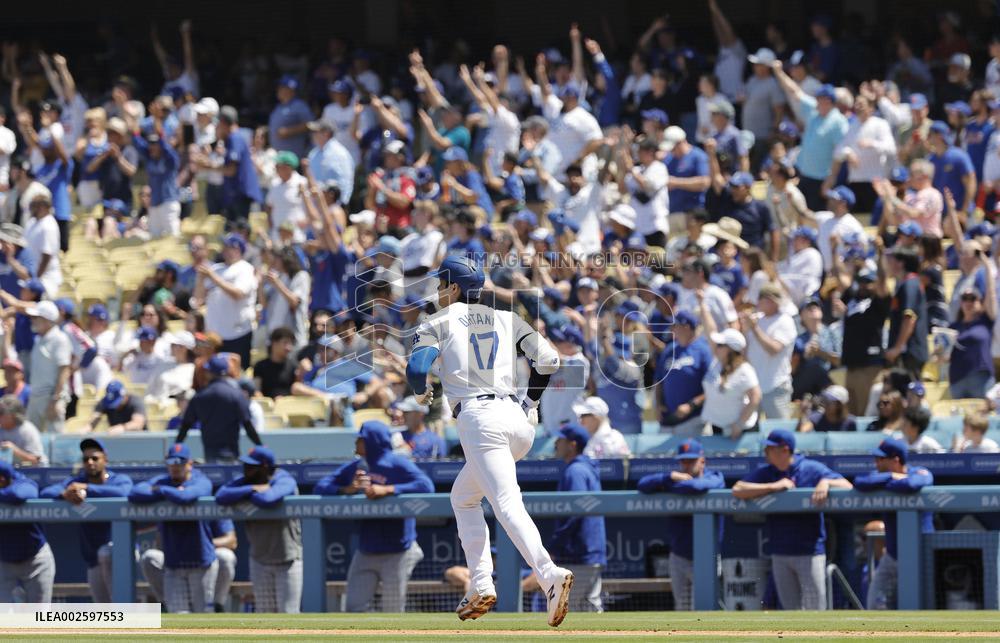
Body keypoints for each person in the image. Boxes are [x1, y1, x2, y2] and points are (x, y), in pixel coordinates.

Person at [406, 255, 574, 626]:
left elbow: (418, 369)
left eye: (441, 285)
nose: (437, 291)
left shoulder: (437, 320)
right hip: (516, 419)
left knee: (506, 504)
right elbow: (548, 361)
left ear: (453, 287)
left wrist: (421, 394)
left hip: (480, 419)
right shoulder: (509, 318)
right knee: (463, 497)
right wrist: (530, 402)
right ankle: (480, 584)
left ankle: (549, 574)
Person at [315, 421, 434, 612]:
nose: (356, 442)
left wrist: (388, 489)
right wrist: (346, 489)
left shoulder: (397, 463)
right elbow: (320, 487)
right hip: (367, 549)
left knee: (393, 611)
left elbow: (426, 485)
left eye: (360, 439)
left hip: (398, 550)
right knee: (354, 607)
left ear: (372, 441)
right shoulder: (355, 467)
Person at [732, 430, 852, 610]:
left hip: (809, 552)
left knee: (816, 610)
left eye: (770, 448)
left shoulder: (811, 468)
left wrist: (826, 482)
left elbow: (847, 485)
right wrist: (774, 486)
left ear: (785, 450)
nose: (765, 452)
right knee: (790, 612)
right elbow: (738, 489)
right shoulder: (768, 472)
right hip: (780, 552)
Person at [40, 438, 133, 602]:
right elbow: (46, 493)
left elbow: (124, 492)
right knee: (103, 612)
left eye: (95, 458)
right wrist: (64, 494)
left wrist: (88, 489)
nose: (90, 462)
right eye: (86, 459)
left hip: (119, 555)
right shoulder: (76, 482)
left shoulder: (118, 479)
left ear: (105, 459)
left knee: (121, 607)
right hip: (93, 557)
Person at [637, 439, 725, 610]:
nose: (686, 465)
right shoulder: (672, 479)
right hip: (679, 557)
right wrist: (668, 477)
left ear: (702, 461)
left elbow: (698, 487)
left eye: (691, 461)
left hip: (707, 558)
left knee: (706, 609)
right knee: (682, 610)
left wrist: (670, 485)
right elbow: (642, 485)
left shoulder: (715, 477)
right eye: (683, 461)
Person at [129, 444, 218, 613]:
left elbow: (186, 496)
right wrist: (167, 490)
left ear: (190, 464)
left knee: (203, 620)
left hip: (201, 563)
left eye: (180, 463)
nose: (176, 467)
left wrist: (160, 491)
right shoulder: (163, 481)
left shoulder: (201, 480)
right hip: (173, 564)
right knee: (178, 619)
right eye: (172, 463)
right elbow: (135, 492)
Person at [215, 446, 302, 613]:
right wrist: (252, 489)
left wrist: (246, 494)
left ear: (264, 467)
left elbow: (268, 499)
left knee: (289, 616)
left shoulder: (284, 479)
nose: (245, 469)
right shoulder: (247, 482)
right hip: (259, 560)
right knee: (265, 616)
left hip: (288, 559)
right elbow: (221, 495)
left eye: (251, 466)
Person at [854, 438, 934, 610]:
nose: (876, 463)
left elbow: (913, 484)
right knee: (874, 604)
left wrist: (887, 482)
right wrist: (891, 476)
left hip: (920, 555)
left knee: (923, 607)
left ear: (896, 460)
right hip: (892, 555)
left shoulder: (920, 472)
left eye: (881, 459)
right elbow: (860, 482)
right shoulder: (883, 475)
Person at [771, 62, 848, 209]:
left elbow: (840, 154)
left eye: (820, 99)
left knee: (816, 217)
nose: (817, 101)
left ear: (828, 101)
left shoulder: (839, 121)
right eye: (817, 99)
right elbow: (795, 92)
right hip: (804, 175)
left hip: (821, 179)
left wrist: (830, 181)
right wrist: (779, 72)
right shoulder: (814, 110)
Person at [550, 424, 606, 613]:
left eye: (561, 440)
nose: (556, 443)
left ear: (572, 445)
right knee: (589, 607)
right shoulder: (583, 468)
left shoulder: (576, 471)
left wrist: (556, 546)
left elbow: (575, 512)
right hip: (588, 551)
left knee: (571, 609)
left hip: (580, 552)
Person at [175, 354, 262, 462]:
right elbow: (247, 425)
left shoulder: (200, 396)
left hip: (210, 453)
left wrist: (176, 445)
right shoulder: (236, 395)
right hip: (232, 453)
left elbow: (186, 425)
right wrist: (260, 445)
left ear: (209, 372)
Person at [140, 518, 238, 613]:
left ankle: (217, 605)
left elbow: (231, 541)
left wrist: (203, 544)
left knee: (225, 556)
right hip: (176, 563)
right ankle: (166, 603)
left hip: (205, 559)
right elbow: (160, 543)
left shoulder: (209, 504)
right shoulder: (170, 505)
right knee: (150, 557)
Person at [192, 233, 257, 369]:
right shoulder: (216, 268)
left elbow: (238, 294)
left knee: (236, 372)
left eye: (228, 246)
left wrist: (213, 277)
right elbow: (197, 300)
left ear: (237, 249)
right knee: (212, 372)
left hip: (237, 334)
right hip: (214, 335)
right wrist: (200, 280)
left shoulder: (245, 268)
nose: (224, 249)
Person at [0, 460, 55, 603]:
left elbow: (19, 494)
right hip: (4, 562)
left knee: (39, 619)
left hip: (35, 560)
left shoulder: (23, 482)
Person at [841, 265, 890, 416]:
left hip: (869, 367)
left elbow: (883, 282)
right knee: (852, 412)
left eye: (868, 282)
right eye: (861, 282)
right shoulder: (851, 299)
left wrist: (880, 253)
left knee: (866, 412)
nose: (863, 286)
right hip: (851, 366)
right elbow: (839, 275)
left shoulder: (878, 303)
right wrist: (835, 250)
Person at [654, 310, 712, 438]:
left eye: (675, 326)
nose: (672, 329)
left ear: (686, 327)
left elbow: (712, 386)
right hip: (668, 420)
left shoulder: (703, 350)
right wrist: (658, 405)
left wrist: (691, 405)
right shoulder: (669, 350)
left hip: (694, 420)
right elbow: (659, 381)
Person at [742, 283, 797, 420]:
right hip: (753, 387)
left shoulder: (785, 321)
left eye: (768, 300)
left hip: (776, 386)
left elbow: (774, 349)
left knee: (779, 431)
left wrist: (754, 328)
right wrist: (744, 328)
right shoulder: (756, 320)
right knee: (750, 432)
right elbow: (744, 352)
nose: (761, 302)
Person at [700, 327, 761, 438]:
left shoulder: (745, 370)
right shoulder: (715, 364)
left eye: (720, 345)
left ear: (731, 349)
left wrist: (739, 425)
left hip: (741, 431)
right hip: (718, 426)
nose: (715, 347)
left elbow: (755, 397)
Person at [949, 259, 997, 398]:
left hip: (981, 377)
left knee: (983, 418)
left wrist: (987, 265)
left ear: (981, 303)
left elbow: (991, 293)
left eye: (973, 298)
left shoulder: (986, 321)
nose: (968, 302)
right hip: (957, 379)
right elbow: (943, 354)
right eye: (965, 298)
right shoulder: (953, 327)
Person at [25, 300, 71, 433]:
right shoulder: (39, 340)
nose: (32, 320)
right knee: (32, 441)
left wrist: (55, 400)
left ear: (47, 319)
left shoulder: (60, 339)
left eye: (36, 317)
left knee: (55, 441)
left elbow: (64, 370)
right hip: (36, 397)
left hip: (51, 398)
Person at [886, 247, 929, 379]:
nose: (888, 264)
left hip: (909, 352)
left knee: (908, 394)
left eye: (891, 260)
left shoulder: (910, 284)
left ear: (901, 263)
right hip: (908, 351)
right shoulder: (907, 283)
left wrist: (898, 348)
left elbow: (909, 317)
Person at [216, 106, 263, 221]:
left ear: (223, 122)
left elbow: (231, 170)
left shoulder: (235, 138)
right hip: (239, 195)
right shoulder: (234, 138)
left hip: (242, 196)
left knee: (241, 233)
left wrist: (208, 166)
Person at [132, 132, 180, 237]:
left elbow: (168, 150)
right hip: (154, 203)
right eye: (150, 144)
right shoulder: (150, 158)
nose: (152, 147)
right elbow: (138, 144)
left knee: (173, 236)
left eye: (155, 144)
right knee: (154, 237)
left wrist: (161, 137)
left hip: (168, 202)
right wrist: (135, 132)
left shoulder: (170, 160)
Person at [23, 193, 62, 296]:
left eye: (35, 205)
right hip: (32, 277)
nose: (32, 208)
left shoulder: (48, 225)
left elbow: (46, 256)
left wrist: (36, 279)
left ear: (43, 206)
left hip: (47, 279)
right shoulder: (31, 222)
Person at [269, 76, 313, 159]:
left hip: (293, 158)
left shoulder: (299, 106)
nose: (278, 90)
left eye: (282, 87)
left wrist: (289, 131)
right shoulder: (279, 106)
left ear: (290, 90)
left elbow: (311, 125)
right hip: (279, 156)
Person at [253, 327, 298, 398]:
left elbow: (296, 388)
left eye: (291, 343)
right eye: (285, 342)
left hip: (288, 406)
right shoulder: (260, 366)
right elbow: (256, 390)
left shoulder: (293, 366)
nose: (289, 348)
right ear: (274, 343)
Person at [0, 394, 45, 465]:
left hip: (34, 473)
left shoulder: (27, 430)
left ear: (13, 415)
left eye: (1, 412)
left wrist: (15, 450)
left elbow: (36, 460)